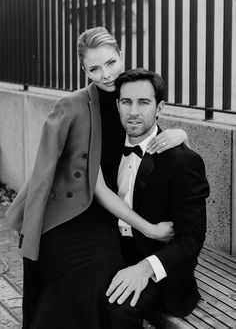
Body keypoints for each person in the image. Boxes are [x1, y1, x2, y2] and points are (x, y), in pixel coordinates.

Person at [6, 27, 187, 329]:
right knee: (84, 280)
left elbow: (154, 132)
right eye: (94, 68)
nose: (105, 74)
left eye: (111, 63)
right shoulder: (71, 106)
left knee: (104, 280)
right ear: (84, 70)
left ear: (121, 56)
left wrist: (181, 133)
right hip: (64, 216)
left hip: (102, 218)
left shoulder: (132, 93)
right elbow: (45, 173)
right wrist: (150, 230)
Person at [103, 68, 210, 328]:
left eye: (144, 102)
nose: (133, 111)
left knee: (118, 311)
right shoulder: (108, 147)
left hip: (158, 264)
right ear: (117, 105)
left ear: (159, 107)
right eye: (126, 102)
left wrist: (145, 268)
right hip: (111, 251)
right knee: (73, 287)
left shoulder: (184, 162)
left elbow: (191, 239)